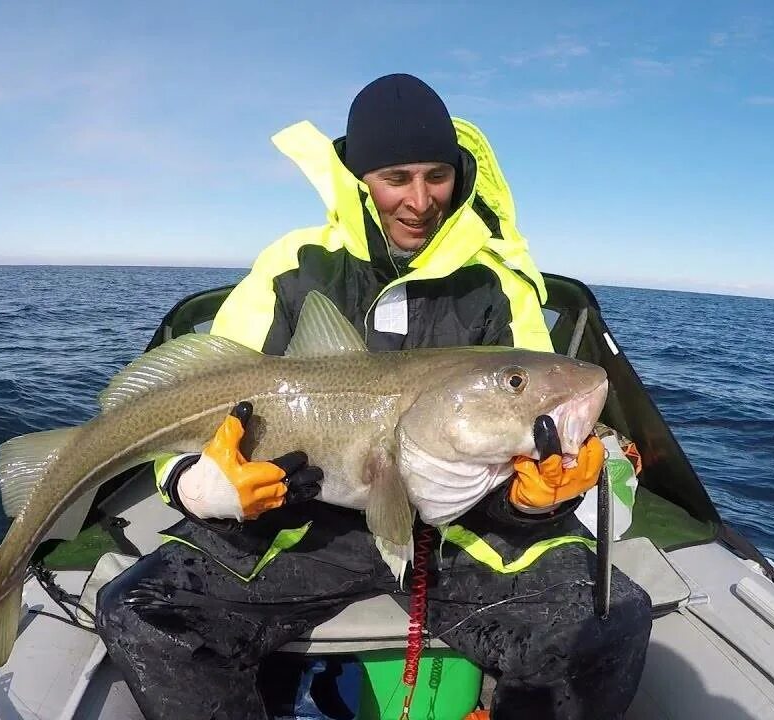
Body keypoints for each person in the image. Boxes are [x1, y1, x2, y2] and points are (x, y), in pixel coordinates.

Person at [95, 73, 652, 720]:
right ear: (361, 176)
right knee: (143, 615)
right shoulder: (295, 266)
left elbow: (531, 434)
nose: (419, 200)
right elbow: (186, 399)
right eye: (396, 178)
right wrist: (196, 486)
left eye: (436, 176)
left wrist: (533, 502)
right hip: (305, 529)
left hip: (458, 536)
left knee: (607, 625)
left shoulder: (498, 288)